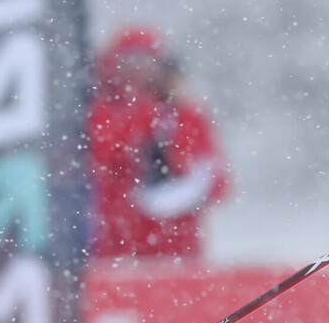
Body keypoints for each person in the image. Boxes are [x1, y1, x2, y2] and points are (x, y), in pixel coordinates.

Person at [88, 24, 229, 258]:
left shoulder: (185, 115)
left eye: (148, 59)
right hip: (111, 251)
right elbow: (99, 156)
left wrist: (178, 182)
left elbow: (217, 181)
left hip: (176, 250)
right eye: (130, 60)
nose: (139, 68)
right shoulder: (96, 114)